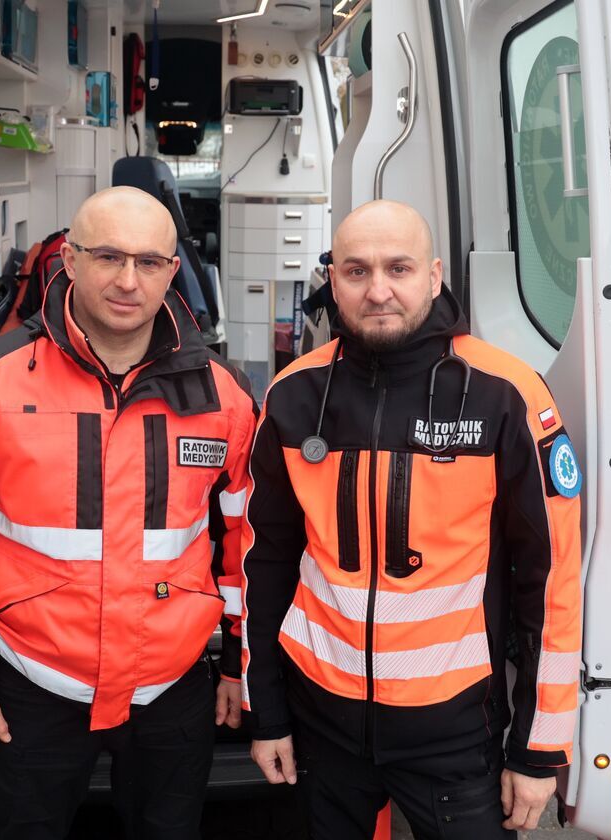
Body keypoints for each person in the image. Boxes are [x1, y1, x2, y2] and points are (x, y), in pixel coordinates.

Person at [0, 186, 255, 840]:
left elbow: (244, 542)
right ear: (70, 261)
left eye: (148, 262)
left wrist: (237, 664)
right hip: (33, 687)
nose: (128, 281)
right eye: (108, 256)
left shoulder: (222, 397)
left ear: (173, 272)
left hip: (172, 688)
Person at [241, 200, 582, 839]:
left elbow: (552, 584)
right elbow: (263, 566)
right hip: (321, 729)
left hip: (455, 738)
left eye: (398, 268)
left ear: (433, 275)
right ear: (332, 279)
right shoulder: (292, 395)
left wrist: (538, 750)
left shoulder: (506, 394)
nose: (378, 291)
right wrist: (268, 714)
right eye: (356, 271)